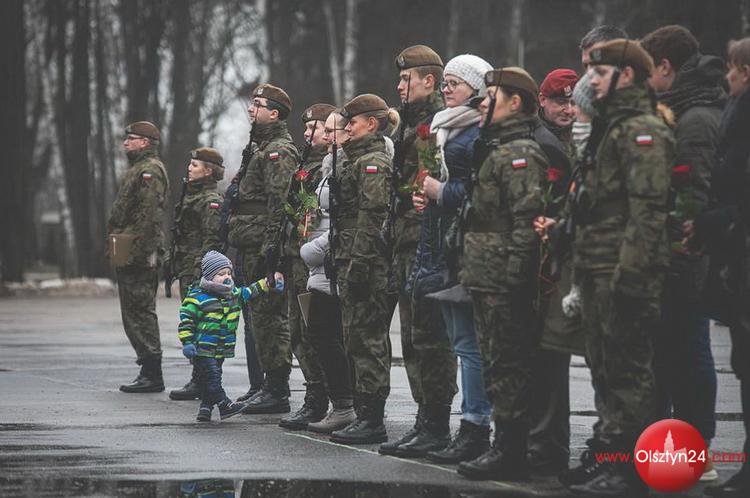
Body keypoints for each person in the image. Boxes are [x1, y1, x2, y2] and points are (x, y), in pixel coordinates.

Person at [563, 39, 674, 496]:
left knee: (628, 374)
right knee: (605, 371)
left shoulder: (641, 130)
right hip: (598, 267)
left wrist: (630, 275)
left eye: (599, 72)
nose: (590, 80)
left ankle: (629, 469)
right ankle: (610, 459)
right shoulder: (612, 126)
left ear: (626, 75)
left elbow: (647, 213)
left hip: (622, 271)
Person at [640, 24, 725, 482]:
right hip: (678, 252)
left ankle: (697, 452)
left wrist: (680, 247)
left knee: (689, 352)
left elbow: (694, 192)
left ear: (666, 67)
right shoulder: (690, 107)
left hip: (686, 255)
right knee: (674, 353)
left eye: (649, 70)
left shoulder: (693, 118)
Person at [456, 67, 547, 481]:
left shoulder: (519, 154)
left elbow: (526, 224)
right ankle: (505, 445)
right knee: (495, 363)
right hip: (486, 275)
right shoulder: (496, 148)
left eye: (490, 98)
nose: (482, 105)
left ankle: (511, 450)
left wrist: (514, 280)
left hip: (503, 281)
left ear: (515, 102)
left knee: (508, 365)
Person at [408, 53, 494, 464]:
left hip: (462, 249)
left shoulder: (476, 131)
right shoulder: (444, 128)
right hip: (438, 245)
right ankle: (441, 425)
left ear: (476, 89)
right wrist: (424, 195)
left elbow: (476, 191)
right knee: (453, 342)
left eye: (454, 83)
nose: (446, 89)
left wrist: (439, 192)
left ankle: (474, 426)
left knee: (468, 346)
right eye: (444, 82)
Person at [379, 44, 458, 459]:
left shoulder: (433, 125)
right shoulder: (410, 124)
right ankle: (425, 420)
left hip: (425, 243)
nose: (399, 86)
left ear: (429, 81)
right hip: (406, 242)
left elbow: (430, 180)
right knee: (413, 337)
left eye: (406, 79)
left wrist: (404, 200)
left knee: (430, 337)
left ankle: (436, 422)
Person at [692, 37, 750, 498]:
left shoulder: (740, 121)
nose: (727, 76)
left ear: (744, 72)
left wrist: (709, 221)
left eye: (732, 68)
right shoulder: (734, 118)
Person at [227, 84, 300, 415]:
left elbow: (279, 203)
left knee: (269, 318)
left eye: (257, 104)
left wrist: (272, 247)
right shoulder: (259, 148)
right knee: (256, 318)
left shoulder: (278, 151)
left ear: (274, 113)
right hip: (249, 243)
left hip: (263, 245)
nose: (250, 109)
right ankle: (265, 386)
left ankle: (278, 389)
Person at [328, 94, 396, 445]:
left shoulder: (373, 162)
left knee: (367, 339)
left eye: (352, 122)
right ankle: (364, 412)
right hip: (350, 259)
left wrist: (359, 263)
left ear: (371, 124)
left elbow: (372, 218)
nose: (348, 128)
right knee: (354, 337)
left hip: (365, 263)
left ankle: (372, 418)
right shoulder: (354, 160)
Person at [527, 68, 583, 475]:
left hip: (571, 257)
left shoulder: (583, 139)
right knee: (544, 355)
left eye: (573, 101)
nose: (568, 109)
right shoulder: (539, 141)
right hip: (548, 257)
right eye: (560, 101)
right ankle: (544, 444)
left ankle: (551, 446)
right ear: (542, 102)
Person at [279, 103, 336, 430]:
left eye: (314, 127)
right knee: (298, 330)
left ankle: (322, 397)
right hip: (296, 254)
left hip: (314, 256)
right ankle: (315, 394)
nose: (307, 133)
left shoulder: (328, 167)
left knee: (312, 328)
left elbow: (314, 217)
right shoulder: (306, 166)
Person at [178, 250, 284, 422]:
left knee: (213, 377)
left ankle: (205, 408)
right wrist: (187, 342)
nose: (226, 277)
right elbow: (186, 321)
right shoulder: (198, 297)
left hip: (221, 348)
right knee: (213, 378)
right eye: (221, 274)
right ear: (209, 276)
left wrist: (268, 282)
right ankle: (224, 405)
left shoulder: (233, 295)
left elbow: (250, 291)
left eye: (228, 273)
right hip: (203, 348)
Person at [302, 110, 357, 434]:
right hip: (320, 260)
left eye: (329, 129)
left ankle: (344, 405)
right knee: (319, 334)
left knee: (326, 334)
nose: (324, 135)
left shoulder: (348, 166)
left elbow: (346, 219)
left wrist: (316, 247)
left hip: (332, 258)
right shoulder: (327, 165)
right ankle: (336, 402)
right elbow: (314, 211)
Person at [108, 121, 169, 393]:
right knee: (131, 310)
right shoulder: (137, 169)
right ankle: (147, 368)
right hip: (129, 247)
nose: (126, 143)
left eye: (131, 138)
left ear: (144, 142)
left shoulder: (150, 170)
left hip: (140, 251)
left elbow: (149, 214)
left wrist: (139, 251)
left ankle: (152, 373)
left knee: (141, 310)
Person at [168, 147, 226, 401]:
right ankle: (200, 379)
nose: (189, 169)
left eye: (195, 165)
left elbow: (211, 239)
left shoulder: (210, 200)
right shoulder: (192, 196)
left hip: (198, 270)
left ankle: (205, 381)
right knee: (193, 325)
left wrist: (201, 270)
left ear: (208, 171)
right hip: (187, 267)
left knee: (206, 328)